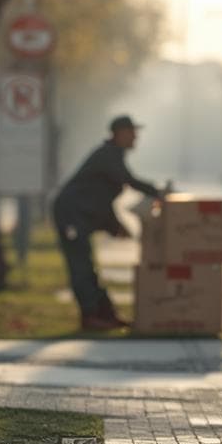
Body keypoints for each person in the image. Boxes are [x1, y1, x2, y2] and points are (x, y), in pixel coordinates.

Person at [53, 115, 162, 330]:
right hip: (71, 216)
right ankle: (90, 316)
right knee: (80, 266)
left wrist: (116, 225)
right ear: (120, 133)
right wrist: (158, 192)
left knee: (87, 265)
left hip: (81, 214)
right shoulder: (107, 156)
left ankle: (105, 315)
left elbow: (102, 198)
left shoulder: (112, 155)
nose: (135, 138)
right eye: (132, 133)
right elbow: (129, 181)